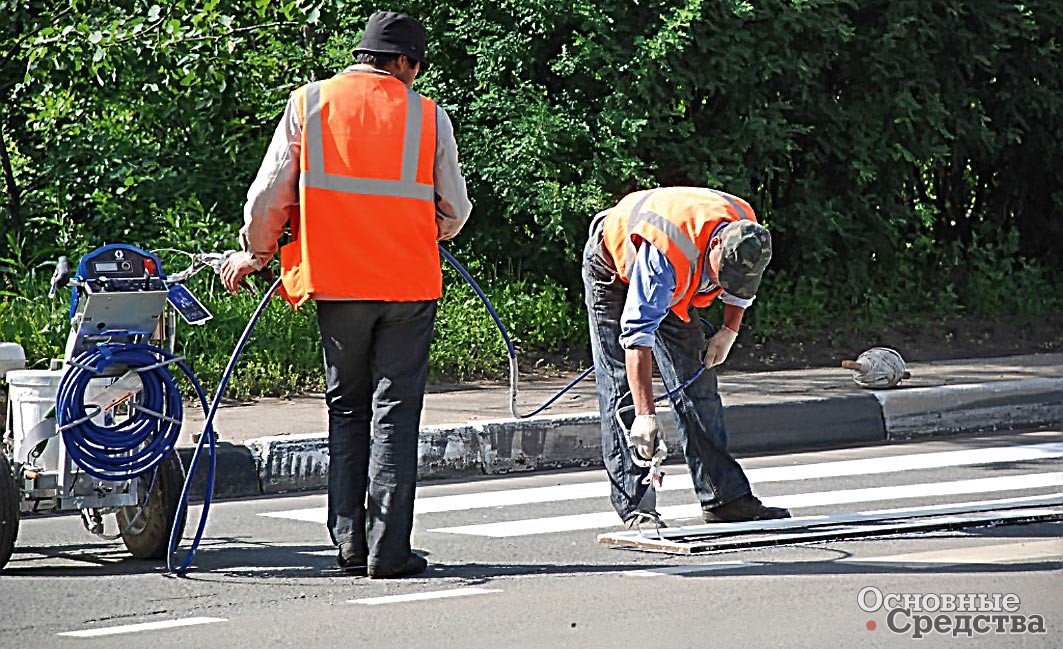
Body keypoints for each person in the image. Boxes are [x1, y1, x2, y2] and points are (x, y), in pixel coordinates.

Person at [221, 11, 472, 578]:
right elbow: (453, 211)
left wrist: (255, 253)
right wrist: (423, 227)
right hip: (407, 285)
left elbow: (269, 196)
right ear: (405, 62)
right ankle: (388, 551)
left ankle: (349, 543)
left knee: (348, 409)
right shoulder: (429, 116)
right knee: (395, 413)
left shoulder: (308, 103)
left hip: (338, 285)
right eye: (416, 67)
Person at [582, 186, 789, 529]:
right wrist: (646, 415)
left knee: (698, 382)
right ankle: (637, 507)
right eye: (720, 278)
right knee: (622, 389)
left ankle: (724, 498)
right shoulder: (667, 253)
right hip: (612, 268)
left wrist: (729, 331)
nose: (720, 287)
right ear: (715, 246)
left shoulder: (748, 234)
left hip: (678, 281)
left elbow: (740, 288)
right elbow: (637, 338)